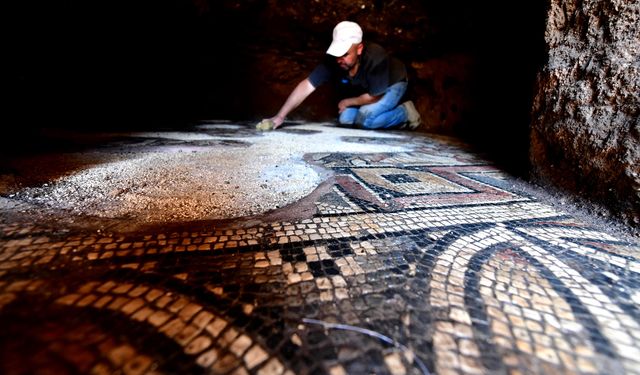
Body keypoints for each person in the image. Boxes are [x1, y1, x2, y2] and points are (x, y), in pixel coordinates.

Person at [266, 21, 421, 130]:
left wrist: (347, 102)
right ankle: (373, 116)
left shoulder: (376, 56)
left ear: (359, 48)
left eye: (345, 54)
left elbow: (375, 96)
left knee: (367, 119)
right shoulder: (335, 60)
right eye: (336, 53)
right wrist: (280, 116)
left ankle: (405, 112)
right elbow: (307, 85)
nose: (339, 59)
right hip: (371, 90)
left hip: (393, 83)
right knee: (345, 119)